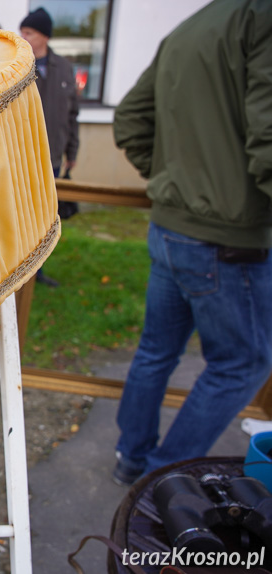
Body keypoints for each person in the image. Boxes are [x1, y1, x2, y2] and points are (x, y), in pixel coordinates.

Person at [111, 0, 272, 486]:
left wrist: (173, 183)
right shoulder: (260, 17)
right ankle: (161, 477)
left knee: (156, 350)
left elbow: (129, 120)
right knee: (243, 364)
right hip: (227, 238)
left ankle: (131, 459)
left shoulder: (191, 27)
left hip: (173, 229)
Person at [20, 7, 80, 287]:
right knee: (21, 214)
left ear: (44, 36)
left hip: (53, 156)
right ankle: (16, 272)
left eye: (29, 32)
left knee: (44, 216)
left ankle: (38, 271)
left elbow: (72, 115)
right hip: (22, 155)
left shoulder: (65, 69)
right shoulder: (19, 66)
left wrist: (73, 152)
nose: (24, 37)